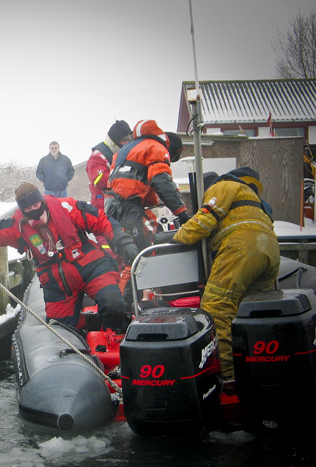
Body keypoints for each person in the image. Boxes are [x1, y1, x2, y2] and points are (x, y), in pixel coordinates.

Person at [0, 182, 139, 330]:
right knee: (60, 325)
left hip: (90, 266)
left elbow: (101, 220)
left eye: (37, 205)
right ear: (22, 210)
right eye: (28, 208)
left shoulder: (66, 208)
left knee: (113, 303)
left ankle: (118, 331)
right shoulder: (16, 227)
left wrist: (123, 242)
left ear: (42, 201)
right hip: (57, 280)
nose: (34, 211)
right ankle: (94, 324)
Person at [172, 167, 280, 384]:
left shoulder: (223, 186)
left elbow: (202, 223)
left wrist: (177, 237)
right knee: (253, 312)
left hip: (243, 249)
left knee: (217, 306)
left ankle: (229, 377)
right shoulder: (255, 200)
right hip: (270, 250)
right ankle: (263, 370)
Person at [105, 119, 189, 250]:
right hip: (131, 211)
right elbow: (162, 182)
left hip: (112, 210)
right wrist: (181, 212)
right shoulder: (156, 147)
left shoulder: (123, 152)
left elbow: (118, 183)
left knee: (127, 253)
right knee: (145, 253)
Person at [86, 120, 132, 210]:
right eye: (125, 139)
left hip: (122, 202)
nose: (127, 142)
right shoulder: (98, 156)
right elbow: (97, 180)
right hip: (104, 205)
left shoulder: (124, 152)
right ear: (116, 140)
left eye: (129, 139)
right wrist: (123, 175)